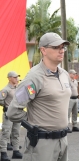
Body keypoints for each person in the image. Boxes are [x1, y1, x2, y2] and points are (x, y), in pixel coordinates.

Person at [7, 32, 71, 161]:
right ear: (43, 50)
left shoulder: (64, 74)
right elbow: (13, 111)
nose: (61, 50)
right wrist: (33, 122)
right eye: (56, 47)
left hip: (63, 140)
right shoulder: (34, 77)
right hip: (42, 142)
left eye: (63, 47)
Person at [0, 71, 22, 161]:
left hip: (17, 113)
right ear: (9, 78)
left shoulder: (18, 88)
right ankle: (3, 153)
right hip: (9, 113)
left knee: (16, 133)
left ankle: (16, 151)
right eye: (15, 77)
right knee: (6, 133)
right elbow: (0, 100)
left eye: (17, 77)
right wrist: (7, 105)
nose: (17, 79)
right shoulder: (5, 90)